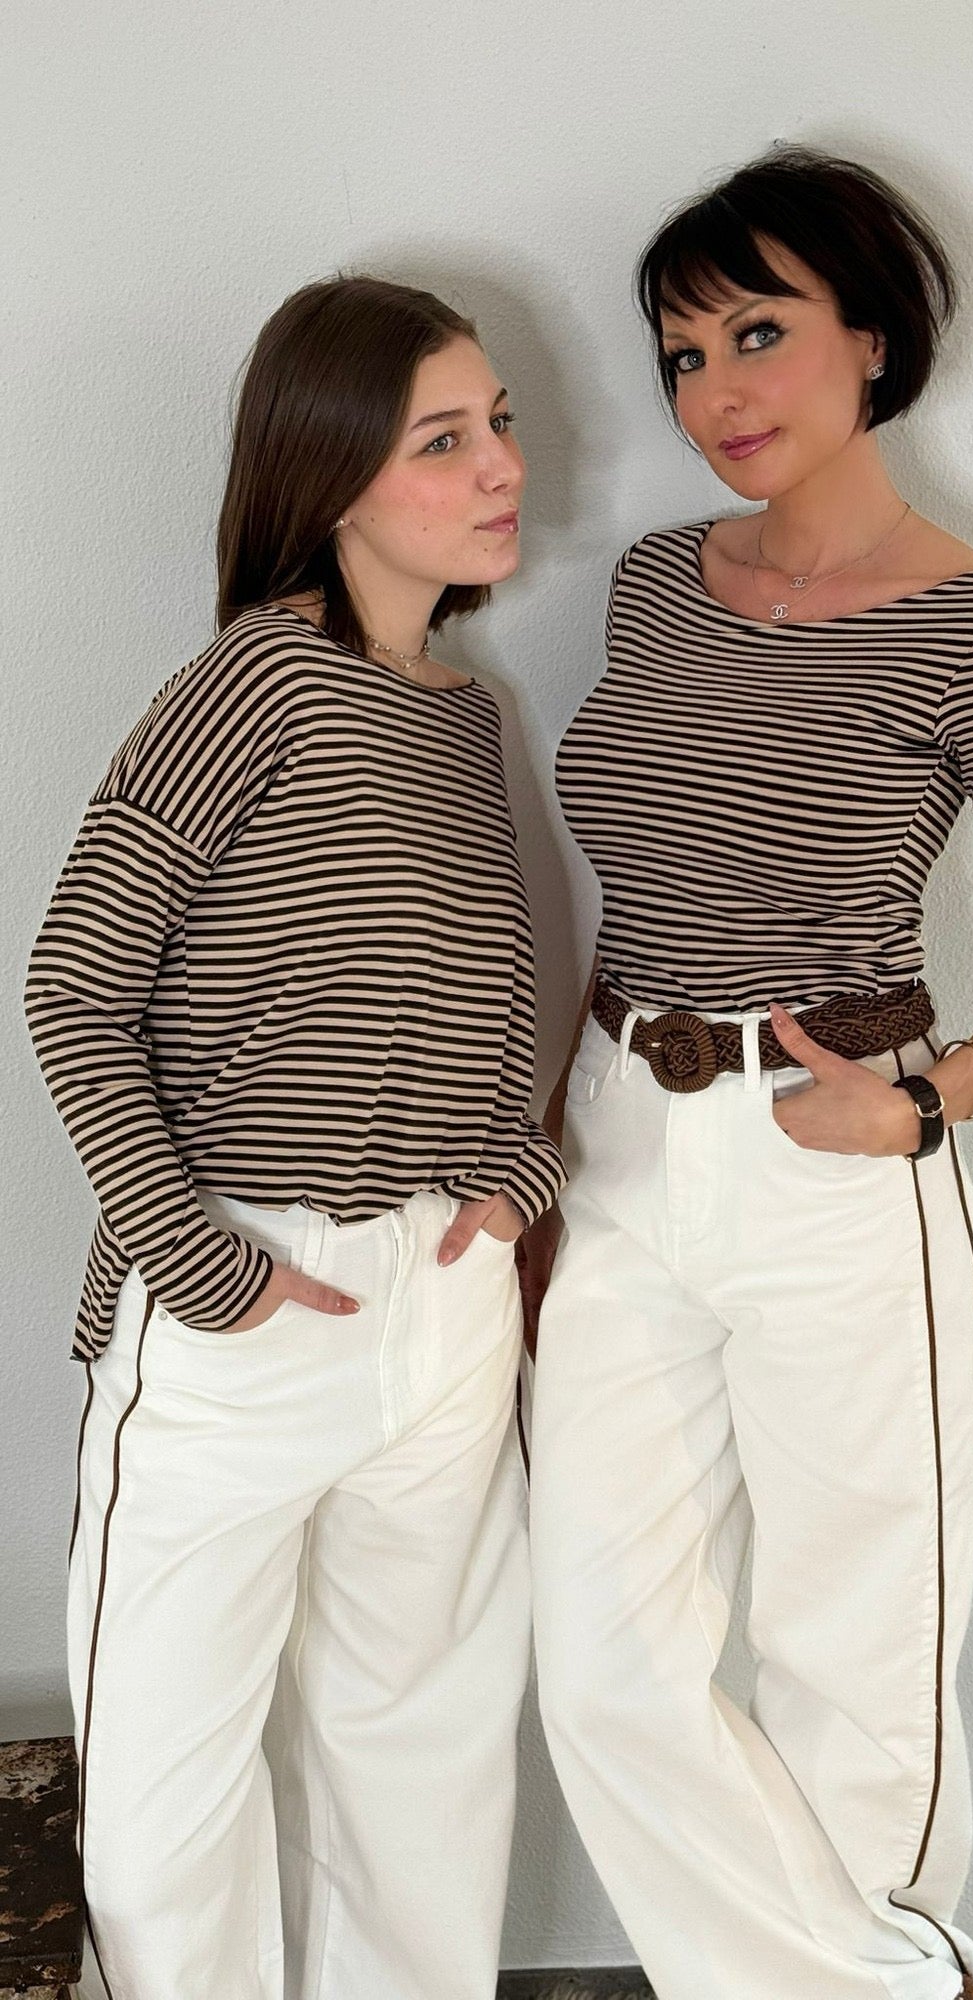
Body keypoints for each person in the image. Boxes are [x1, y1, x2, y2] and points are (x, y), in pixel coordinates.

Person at [527, 148, 973, 2000]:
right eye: (682, 356)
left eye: (756, 334)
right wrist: (561, 1139)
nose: (715, 392)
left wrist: (923, 1107)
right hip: (623, 1138)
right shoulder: (652, 587)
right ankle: (905, 1985)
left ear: (872, 336)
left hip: (841, 1156)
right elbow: (636, 880)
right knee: (600, 1658)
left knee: (855, 1664)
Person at [25, 274, 563, 2000]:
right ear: (329, 475)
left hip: (440, 1302)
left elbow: (485, 995)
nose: (503, 465)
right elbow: (72, 980)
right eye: (443, 438)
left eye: (499, 424)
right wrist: (197, 1259)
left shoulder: (466, 716)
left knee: (423, 1757)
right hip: (245, 1291)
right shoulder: (254, 681)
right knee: (166, 1799)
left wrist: (516, 1170)